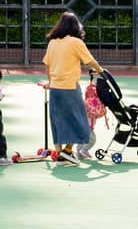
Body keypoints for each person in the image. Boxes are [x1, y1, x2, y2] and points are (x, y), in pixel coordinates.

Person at [41, 12, 104, 166]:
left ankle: (60, 155)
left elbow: (48, 65)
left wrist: (50, 82)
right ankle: (68, 151)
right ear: (76, 27)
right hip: (70, 87)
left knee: (57, 121)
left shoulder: (53, 42)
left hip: (55, 88)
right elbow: (90, 61)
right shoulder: (76, 42)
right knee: (79, 120)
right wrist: (101, 71)